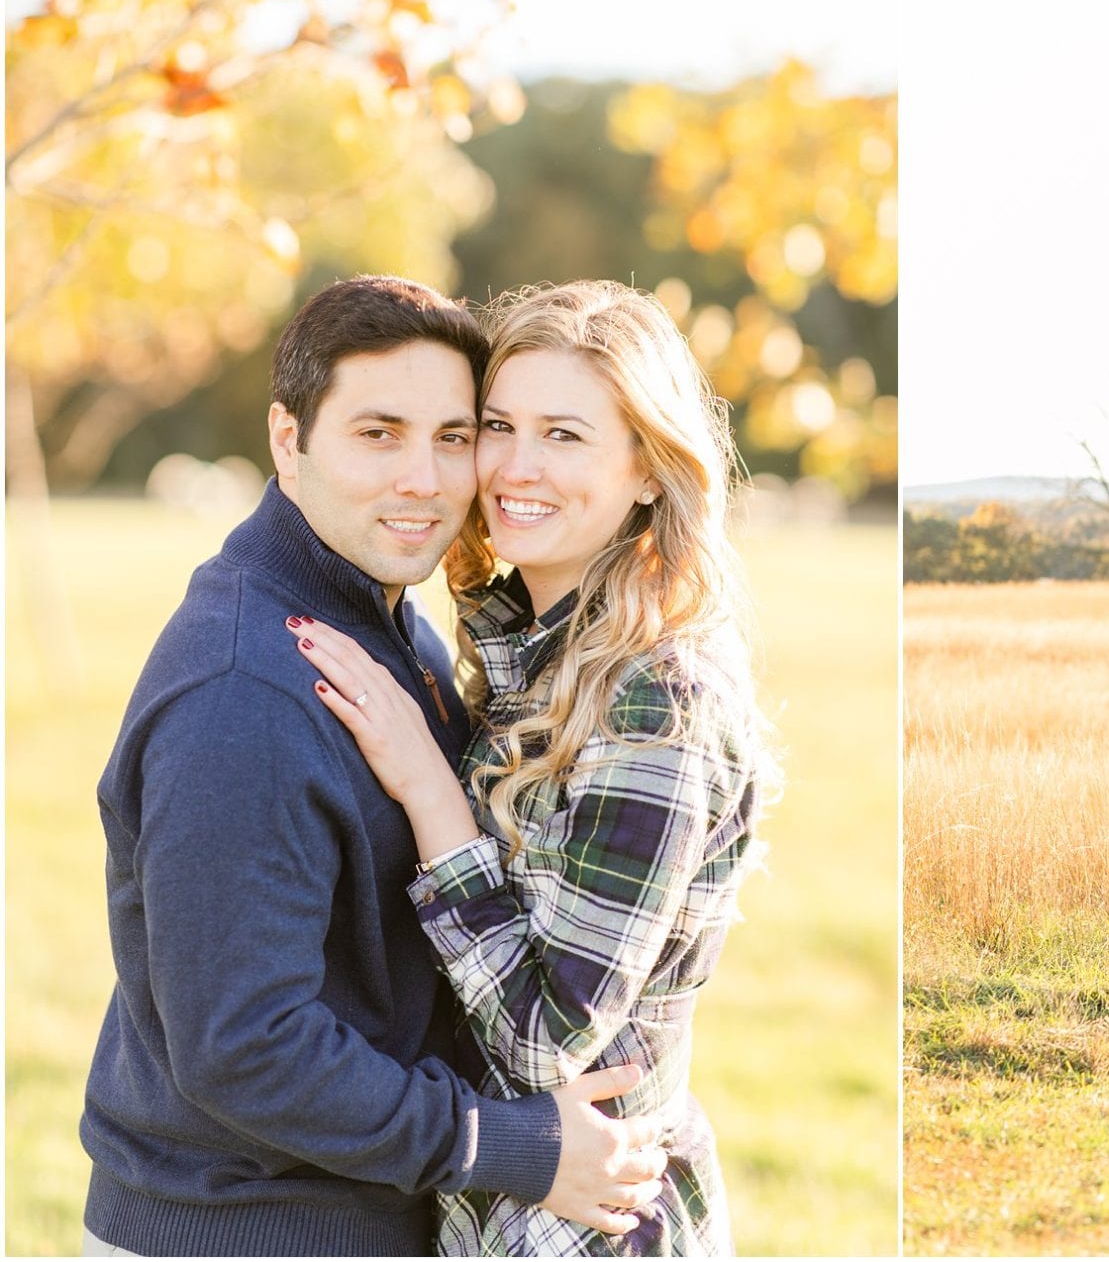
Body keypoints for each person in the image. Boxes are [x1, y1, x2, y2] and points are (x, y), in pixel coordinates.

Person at [80, 277, 664, 1257]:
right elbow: (246, 1047)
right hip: (243, 1232)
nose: (426, 480)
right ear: (287, 439)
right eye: (378, 432)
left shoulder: (385, 621)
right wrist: (509, 1142)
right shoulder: (246, 693)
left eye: (451, 435)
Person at [287, 280, 769, 1255]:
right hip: (499, 1210)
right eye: (498, 425)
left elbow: (548, 1039)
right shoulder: (530, 652)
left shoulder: (656, 700)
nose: (515, 465)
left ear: (647, 468)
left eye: (565, 434)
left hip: (585, 1227)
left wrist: (427, 786)